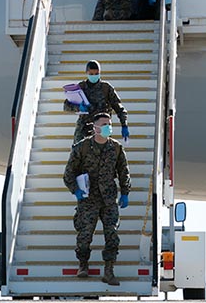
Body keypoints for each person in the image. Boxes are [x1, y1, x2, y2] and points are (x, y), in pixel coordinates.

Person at [63, 113, 131, 284]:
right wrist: (75, 190)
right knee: (84, 235)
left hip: (108, 199)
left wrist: (125, 192)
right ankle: (83, 264)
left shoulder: (116, 148)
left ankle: (109, 271)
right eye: (104, 124)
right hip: (88, 199)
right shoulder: (82, 148)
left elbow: (124, 172)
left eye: (109, 123)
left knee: (112, 234)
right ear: (95, 127)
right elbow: (68, 173)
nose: (108, 127)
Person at [63, 60, 129, 144]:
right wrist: (78, 107)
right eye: (91, 74)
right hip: (84, 128)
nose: (94, 76)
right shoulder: (81, 87)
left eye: (96, 74)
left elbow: (119, 108)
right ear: (86, 72)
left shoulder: (106, 88)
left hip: (102, 128)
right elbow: (66, 106)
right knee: (80, 153)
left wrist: (124, 125)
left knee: (104, 154)